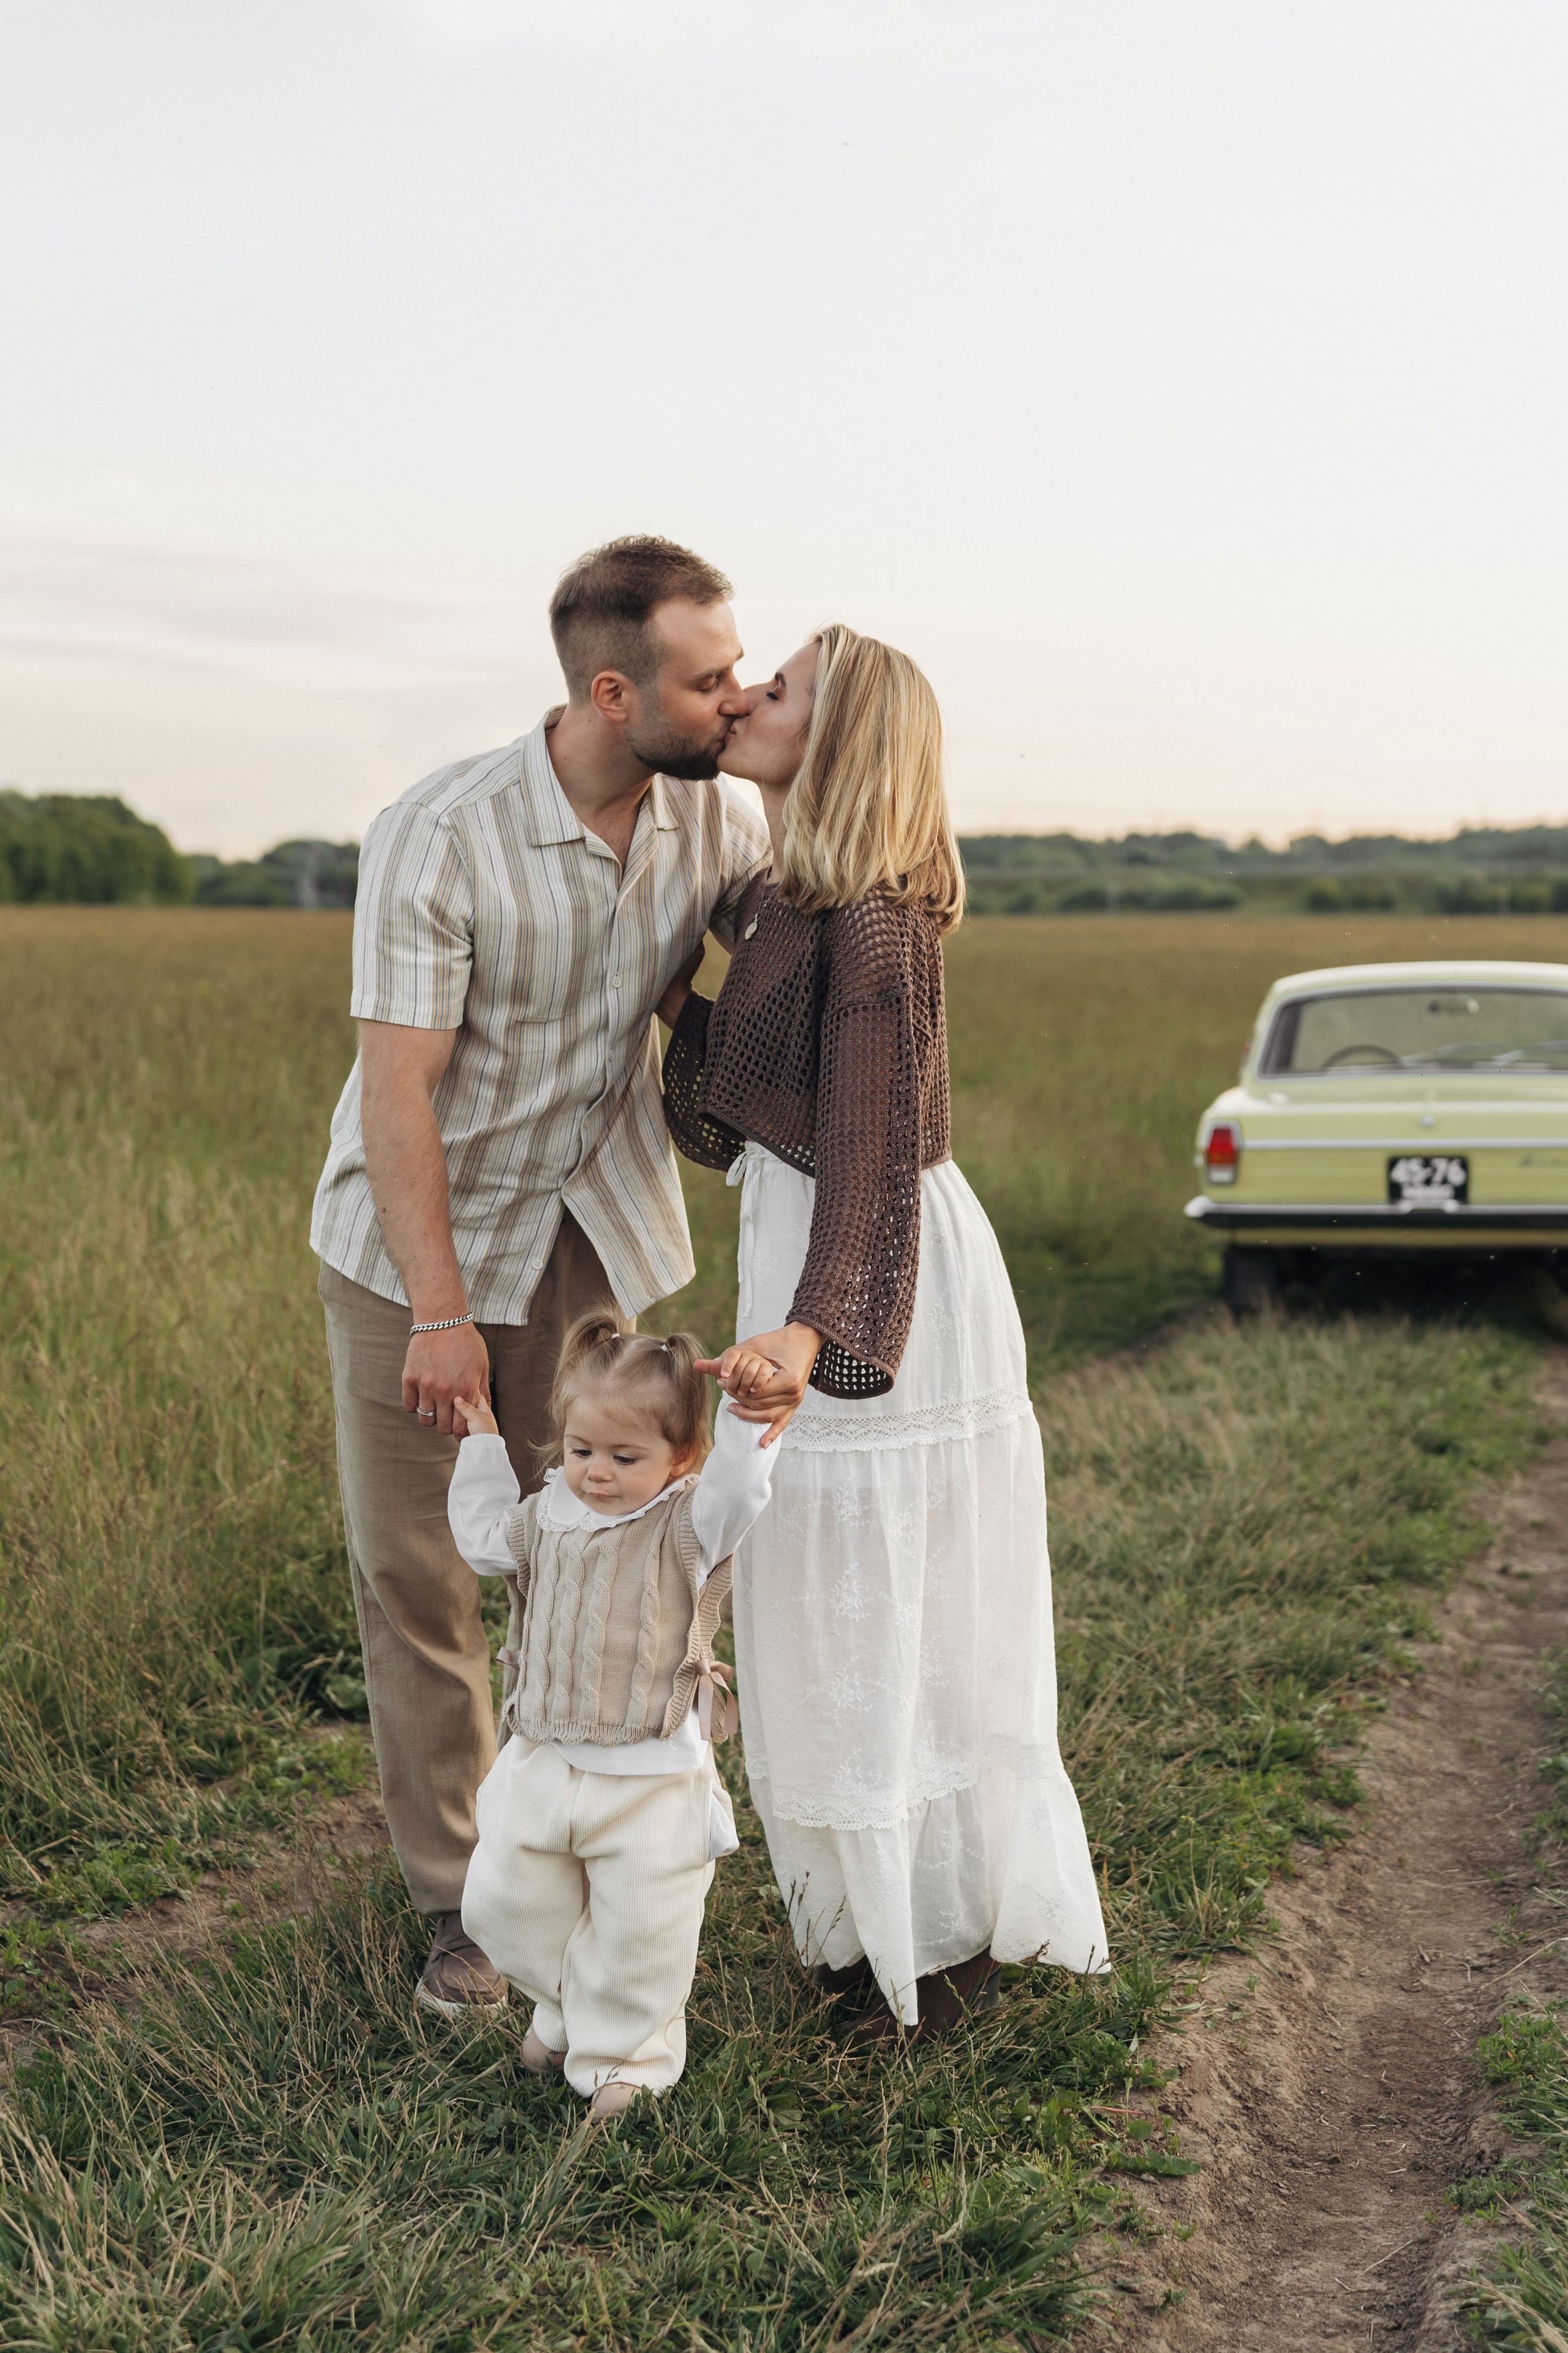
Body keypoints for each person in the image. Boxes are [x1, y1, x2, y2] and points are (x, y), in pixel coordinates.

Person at [311, 537, 769, 2016]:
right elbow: (397, 1092)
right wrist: (438, 1313)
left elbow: (818, 935)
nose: (736, 696)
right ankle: (465, 1905)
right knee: (420, 1570)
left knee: (606, 1538)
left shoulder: (722, 816)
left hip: (592, 1228)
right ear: (611, 691)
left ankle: (600, 1841)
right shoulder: (440, 831)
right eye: (707, 679)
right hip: (418, 1244)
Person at [662, 623, 1109, 2040]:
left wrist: (812, 1330)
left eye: (779, 688)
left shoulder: (874, 921)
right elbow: (735, 1121)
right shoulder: (788, 900)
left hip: (875, 1268)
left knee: (901, 1604)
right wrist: (668, 995)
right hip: (809, 1253)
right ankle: (863, 1929)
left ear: (841, 737)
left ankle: (943, 1941)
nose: (746, 695)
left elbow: (868, 1152)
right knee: (825, 1597)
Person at [447, 1316, 777, 2116]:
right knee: (505, 1900)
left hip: (650, 1774)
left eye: (625, 1458)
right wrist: (483, 1442)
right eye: (581, 1449)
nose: (597, 1472)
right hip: (546, 1757)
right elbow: (485, 1540)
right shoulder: (548, 1512)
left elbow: (740, 1490)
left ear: (681, 1456)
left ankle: (627, 2057)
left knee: (640, 1926)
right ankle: (563, 2006)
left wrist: (744, 1416)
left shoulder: (689, 1521)